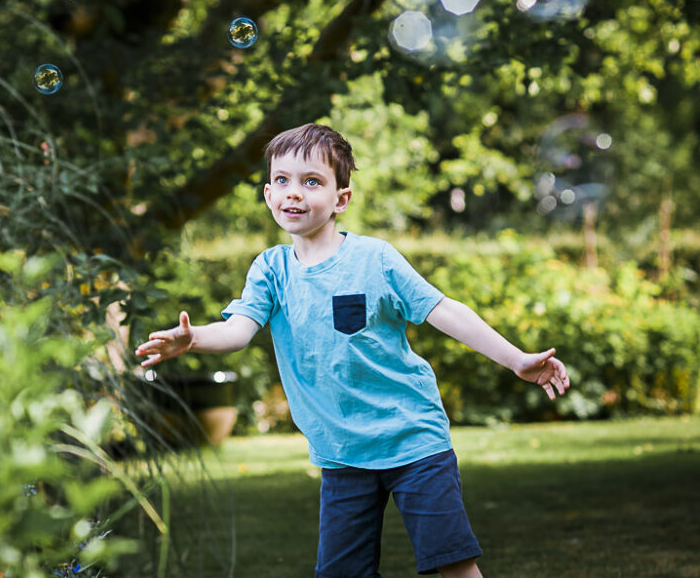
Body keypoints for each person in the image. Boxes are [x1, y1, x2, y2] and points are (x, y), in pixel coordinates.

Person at [134, 123, 570, 578]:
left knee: (453, 563)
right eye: (282, 181)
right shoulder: (271, 270)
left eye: (311, 181)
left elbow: (444, 311)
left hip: (412, 439)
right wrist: (195, 338)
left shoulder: (375, 259)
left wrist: (517, 359)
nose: (293, 194)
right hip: (341, 453)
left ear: (341, 199)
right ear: (267, 195)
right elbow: (239, 330)